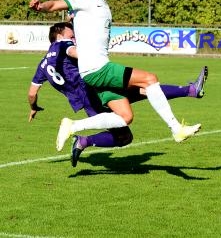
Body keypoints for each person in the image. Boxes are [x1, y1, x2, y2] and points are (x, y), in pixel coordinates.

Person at [29, 0, 202, 152]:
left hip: (95, 72)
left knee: (125, 117)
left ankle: (73, 126)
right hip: (98, 68)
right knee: (150, 80)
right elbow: (54, 5)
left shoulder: (98, 3)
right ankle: (176, 128)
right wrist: (41, 6)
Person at [27, 22, 207, 167]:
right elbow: (74, 52)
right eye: (71, 35)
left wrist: (33, 107)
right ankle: (78, 132)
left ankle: (191, 90)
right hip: (95, 90)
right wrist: (94, 59)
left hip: (87, 102)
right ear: (58, 36)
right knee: (141, 96)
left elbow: (32, 93)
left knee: (141, 98)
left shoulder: (42, 65)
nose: (74, 38)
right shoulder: (62, 44)